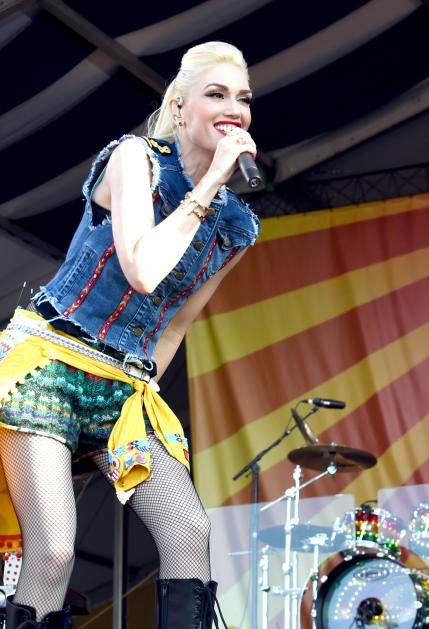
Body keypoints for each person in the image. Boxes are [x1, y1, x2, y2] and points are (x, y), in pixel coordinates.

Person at [0, 41, 260, 628]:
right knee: (55, 549)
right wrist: (212, 179)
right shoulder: (134, 159)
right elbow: (143, 271)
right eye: (216, 94)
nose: (234, 108)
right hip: (49, 368)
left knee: (190, 531)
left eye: (242, 99)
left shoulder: (236, 225)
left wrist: (143, 393)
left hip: (126, 386)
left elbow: (178, 322)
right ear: (179, 106)